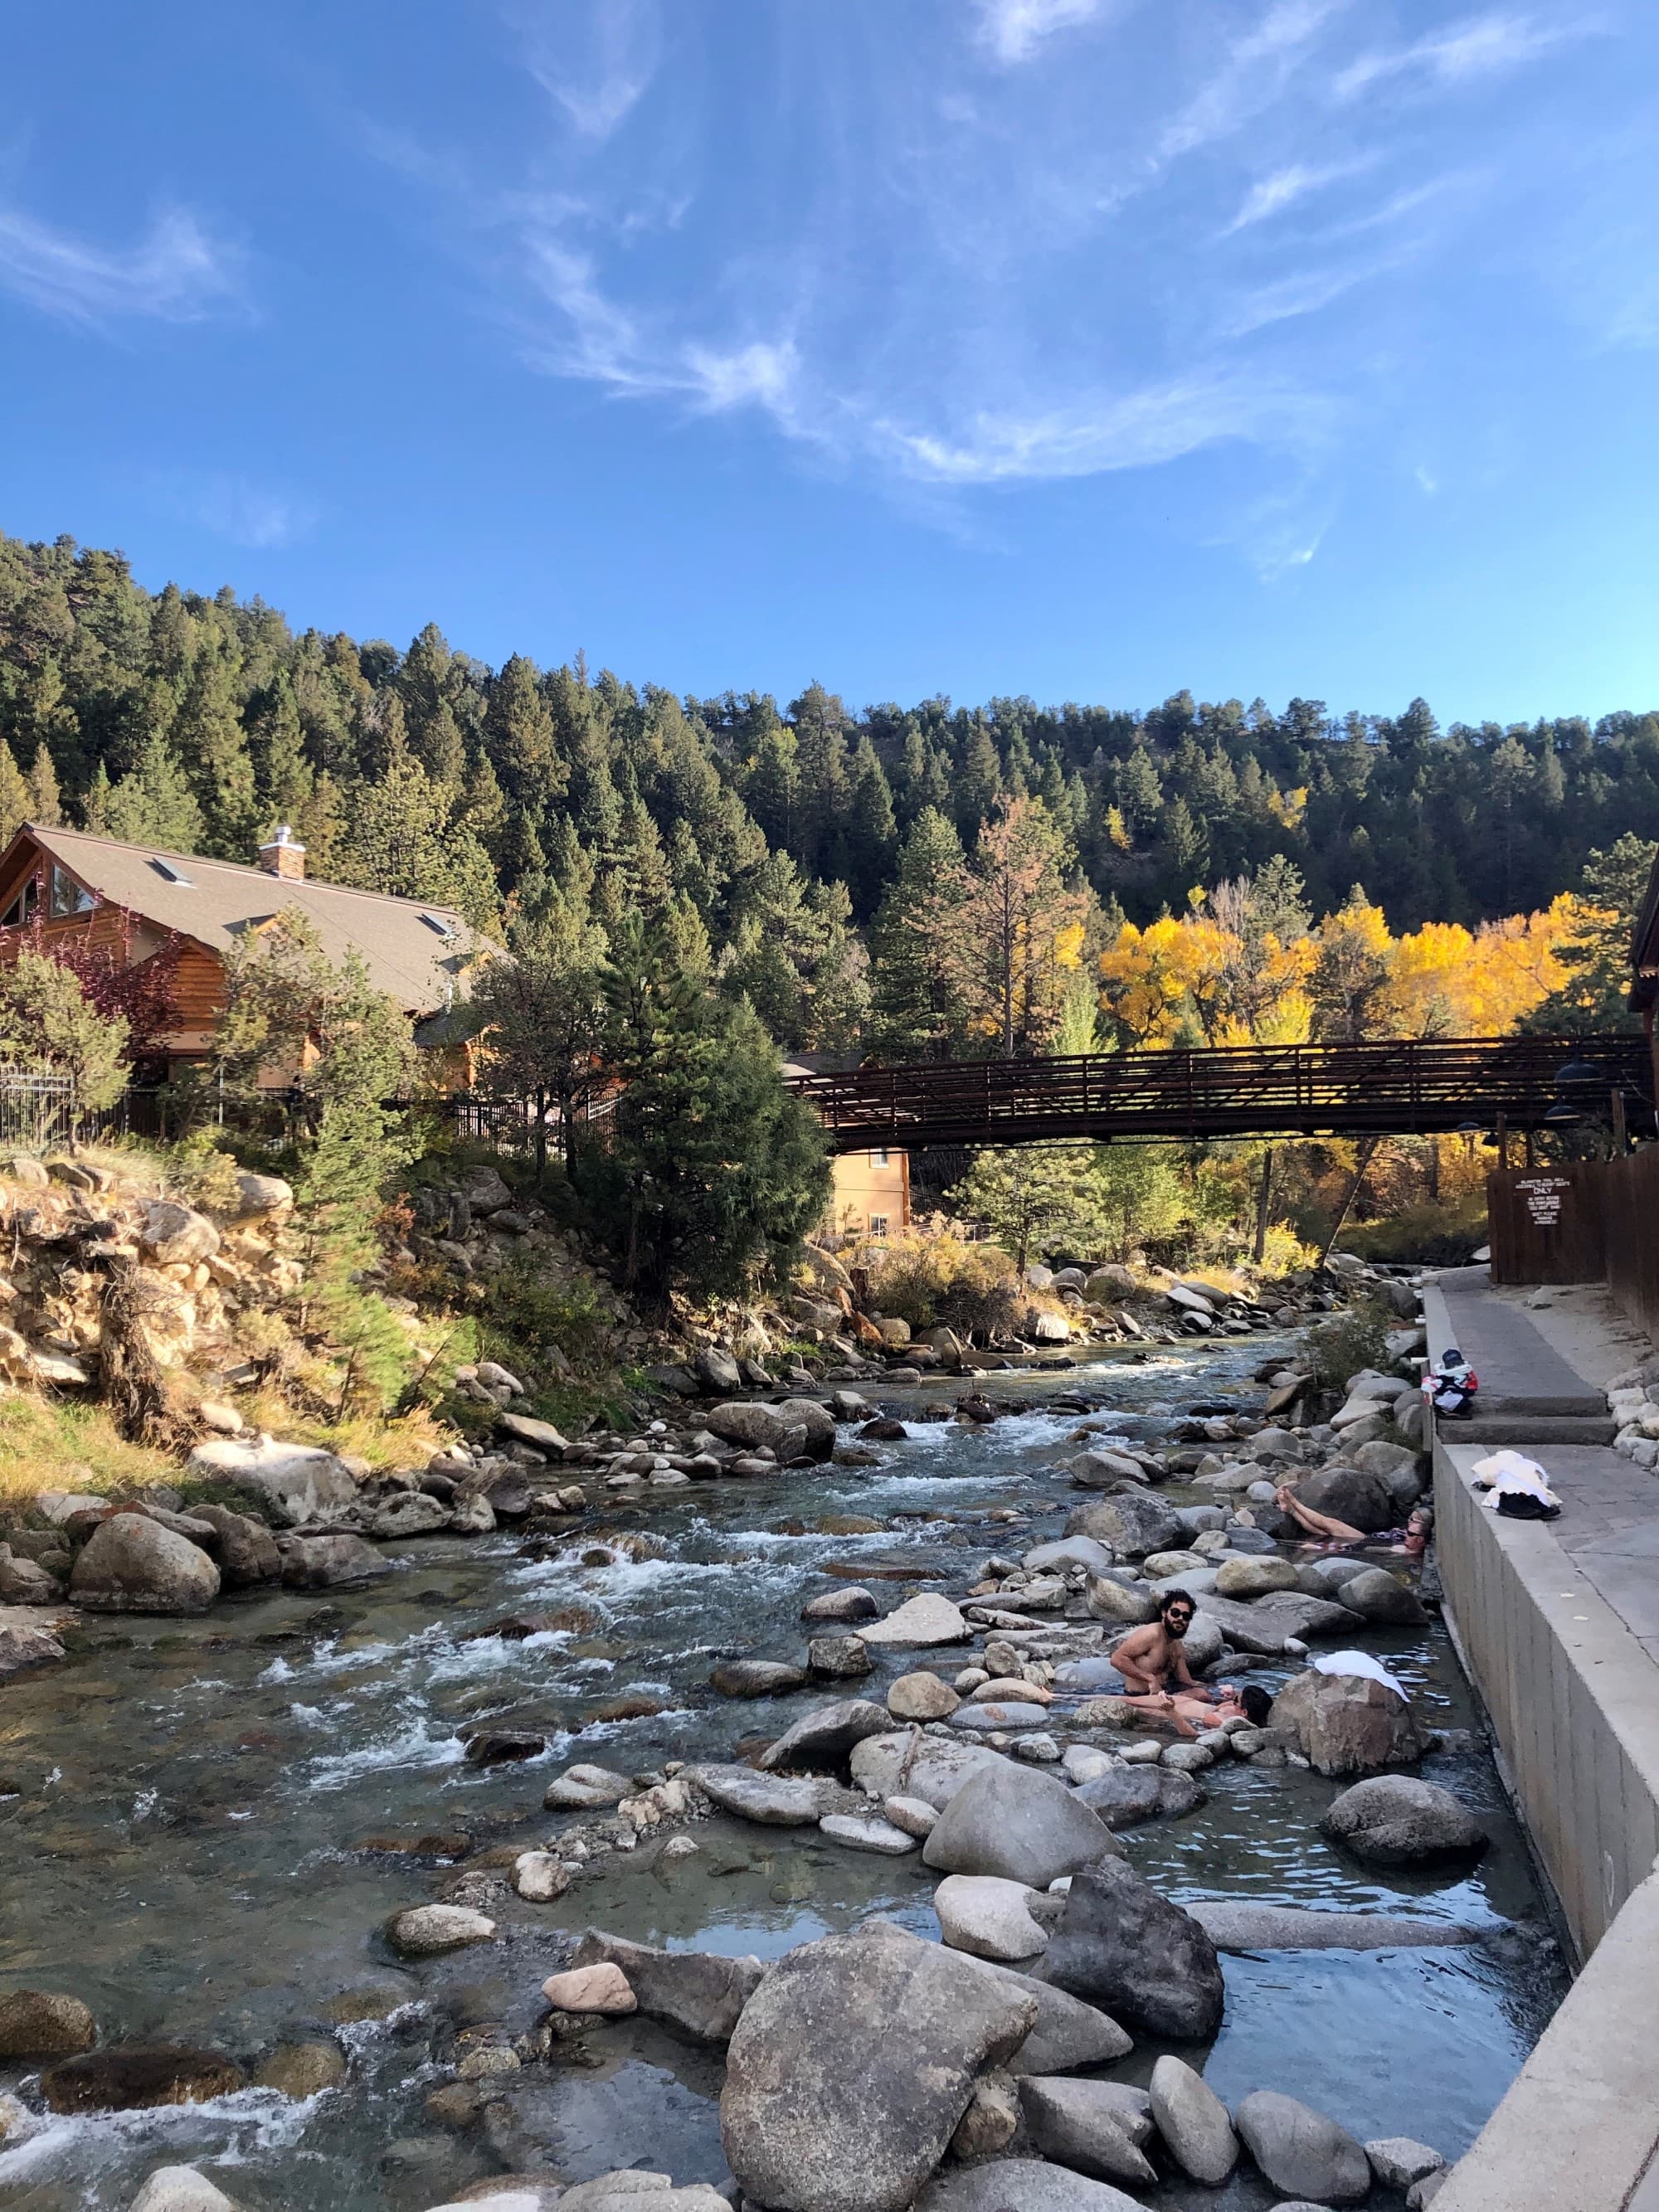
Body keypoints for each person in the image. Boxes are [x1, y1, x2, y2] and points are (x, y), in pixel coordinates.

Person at [1274, 1486, 1433, 1558]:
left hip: (1364, 1540)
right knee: (1323, 1532)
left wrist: (1322, 1548)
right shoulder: (1407, 1535)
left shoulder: (1404, 1549)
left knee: (1332, 1525)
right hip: (1369, 1537)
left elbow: (1363, 1549)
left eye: (1413, 1521)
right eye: (1410, 1519)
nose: (1409, 1523)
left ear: (1420, 1540)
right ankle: (1290, 1509)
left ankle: (1294, 1503)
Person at [1423, 1349, 1478, 1419]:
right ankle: (1448, 1411)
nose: (1455, 1365)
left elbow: (1471, 1390)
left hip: (1458, 1399)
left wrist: (1454, 1388)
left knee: (1461, 1400)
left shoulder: (1467, 1373)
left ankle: (1449, 1412)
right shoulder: (1445, 1376)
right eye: (1452, 1364)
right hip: (1452, 1398)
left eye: (1457, 1363)